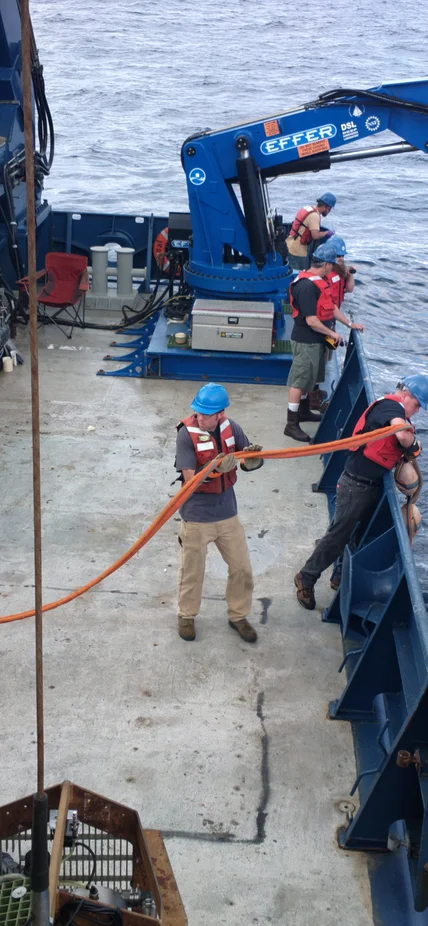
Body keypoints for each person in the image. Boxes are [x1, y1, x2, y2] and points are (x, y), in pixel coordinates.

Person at [294, 373, 428, 610]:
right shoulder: (390, 408)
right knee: (338, 536)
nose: (416, 411)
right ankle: (306, 577)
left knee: (358, 535)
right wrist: (413, 445)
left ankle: (339, 576)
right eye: (416, 405)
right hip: (356, 484)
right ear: (406, 394)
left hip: (370, 484)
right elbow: (402, 434)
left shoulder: (395, 410)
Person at [175, 382, 263, 643]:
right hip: (197, 516)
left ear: (221, 414)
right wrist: (216, 468)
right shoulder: (186, 433)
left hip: (227, 512)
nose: (200, 418)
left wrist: (253, 461)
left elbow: (246, 461)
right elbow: (190, 479)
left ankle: (238, 615)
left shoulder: (232, 428)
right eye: (198, 412)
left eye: (206, 414)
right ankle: (187, 615)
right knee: (192, 571)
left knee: (242, 569)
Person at [284, 242, 365, 443]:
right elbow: (311, 320)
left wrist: (349, 323)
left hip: (316, 341)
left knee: (309, 379)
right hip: (306, 341)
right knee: (299, 380)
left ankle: (303, 412)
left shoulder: (321, 281)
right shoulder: (307, 286)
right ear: (327, 265)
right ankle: (291, 424)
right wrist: (333, 333)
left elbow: (331, 307)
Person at [286, 192, 336, 271]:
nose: (329, 212)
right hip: (298, 250)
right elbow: (315, 235)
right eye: (329, 209)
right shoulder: (314, 216)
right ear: (326, 207)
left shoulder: (308, 208)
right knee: (303, 273)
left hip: (290, 243)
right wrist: (327, 233)